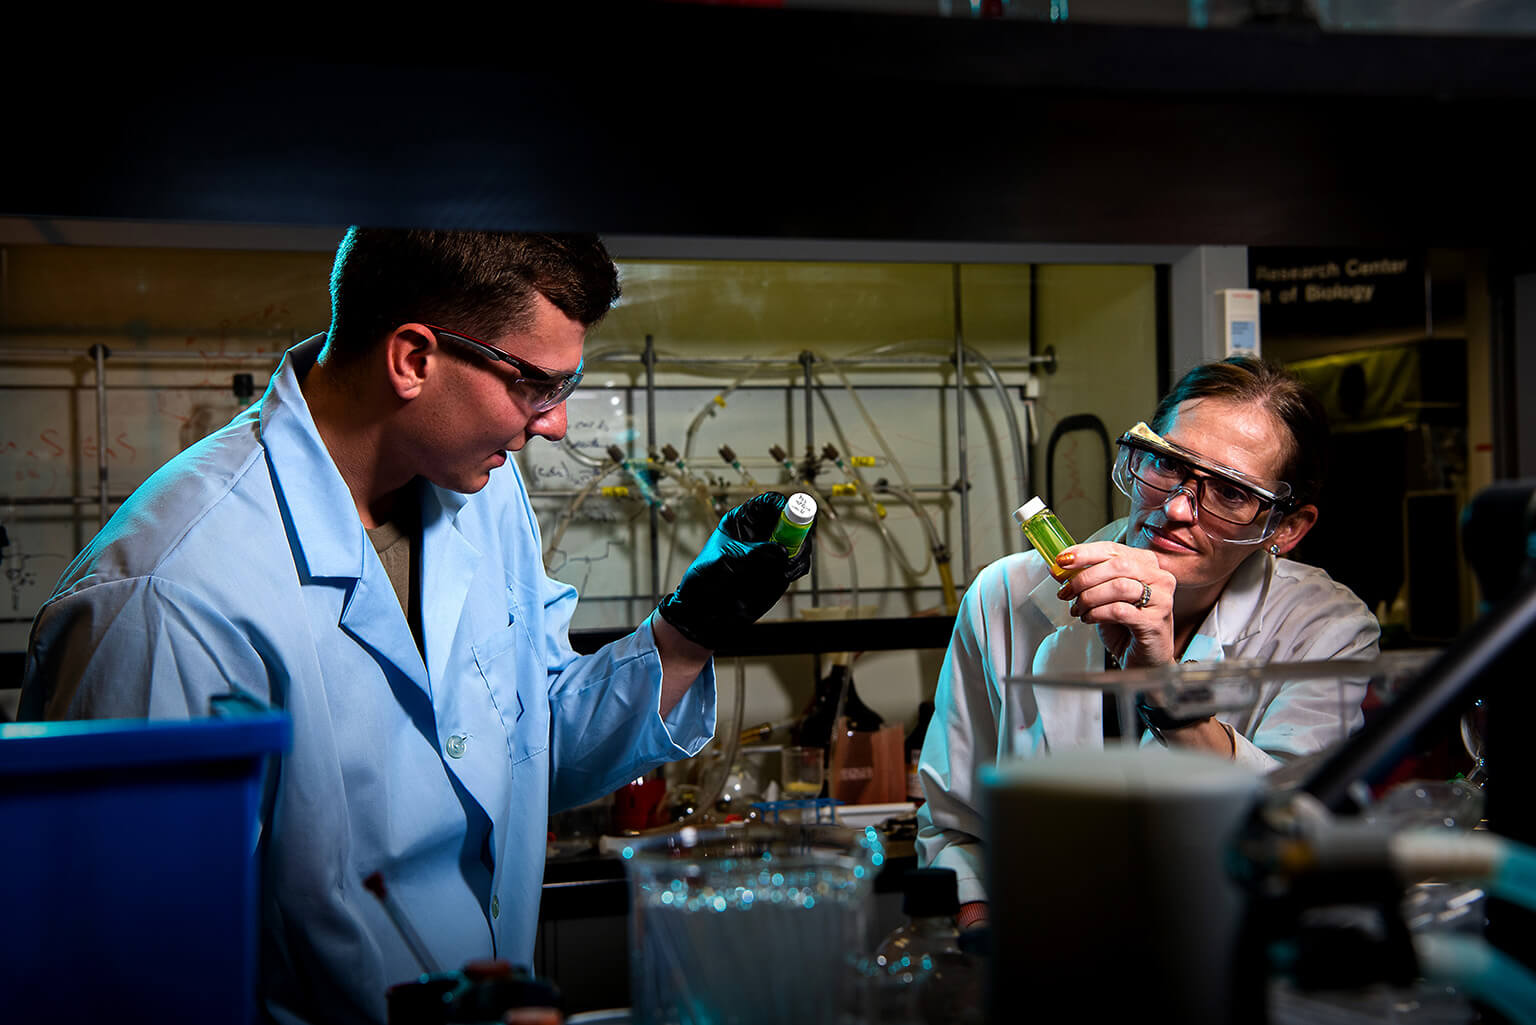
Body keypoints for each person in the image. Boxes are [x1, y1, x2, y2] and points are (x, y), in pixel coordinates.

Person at [18, 229, 811, 1025]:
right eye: (534, 382)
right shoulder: (167, 595)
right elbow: (117, 974)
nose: (556, 422)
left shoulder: (481, 495)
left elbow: (527, 752)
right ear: (412, 359)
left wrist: (685, 633)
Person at [915, 355, 1379, 931]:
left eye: (1232, 494)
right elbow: (958, 826)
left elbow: (1295, 830)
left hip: (1220, 954)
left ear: (1284, 529)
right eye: (1167, 464)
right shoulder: (1005, 596)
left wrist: (1165, 687)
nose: (1177, 510)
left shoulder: (1324, 628)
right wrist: (988, 944)